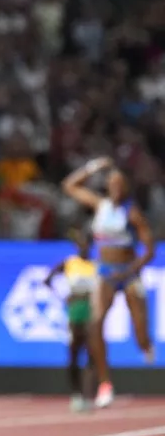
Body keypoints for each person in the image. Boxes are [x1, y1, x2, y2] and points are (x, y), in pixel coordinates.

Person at [62, 157, 155, 408]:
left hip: (129, 271)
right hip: (105, 271)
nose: (115, 189)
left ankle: (146, 345)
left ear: (125, 188)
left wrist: (130, 271)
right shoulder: (100, 205)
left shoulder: (132, 212)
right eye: (111, 184)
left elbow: (149, 250)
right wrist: (93, 167)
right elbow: (69, 186)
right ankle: (105, 384)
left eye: (119, 185)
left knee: (140, 331)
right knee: (95, 323)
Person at [44, 229, 97, 412]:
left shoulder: (96, 265)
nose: (84, 247)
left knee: (92, 354)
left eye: (87, 243)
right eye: (80, 243)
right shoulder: (70, 263)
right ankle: (76, 394)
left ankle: (89, 396)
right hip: (75, 311)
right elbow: (47, 280)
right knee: (74, 354)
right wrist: (62, 296)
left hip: (92, 311)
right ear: (77, 246)